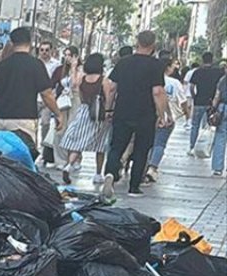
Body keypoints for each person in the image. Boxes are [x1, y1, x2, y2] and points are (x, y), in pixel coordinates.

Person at [102, 31, 169, 198]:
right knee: (141, 150)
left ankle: (110, 173)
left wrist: (108, 109)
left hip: (123, 111)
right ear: (153, 45)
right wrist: (162, 115)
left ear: (137, 42)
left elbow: (111, 88)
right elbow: (158, 92)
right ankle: (133, 187)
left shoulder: (123, 62)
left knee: (116, 146)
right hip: (145, 114)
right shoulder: (156, 65)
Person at [0, 27, 62, 145]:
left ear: (12, 42)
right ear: (30, 42)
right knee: (22, 157)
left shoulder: (0, 66)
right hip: (24, 118)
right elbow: (46, 94)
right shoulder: (36, 65)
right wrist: (57, 114)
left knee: (0, 157)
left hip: (0, 118)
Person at [59, 52, 112, 185]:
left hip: (83, 111)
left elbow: (78, 92)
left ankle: (69, 165)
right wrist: (108, 111)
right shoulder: (104, 80)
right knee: (100, 145)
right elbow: (109, 97)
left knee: (78, 142)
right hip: (99, 114)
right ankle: (98, 174)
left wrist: (73, 67)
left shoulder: (82, 78)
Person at [146, 56, 190, 183]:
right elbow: (183, 101)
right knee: (160, 143)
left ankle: (143, 166)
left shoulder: (150, 79)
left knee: (148, 143)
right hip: (167, 117)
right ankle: (152, 168)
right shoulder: (175, 83)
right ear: (168, 68)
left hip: (149, 115)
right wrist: (187, 114)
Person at [187, 52, 225, 154]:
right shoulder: (218, 72)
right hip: (212, 103)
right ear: (212, 60)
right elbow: (220, 88)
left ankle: (192, 147)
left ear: (202, 60)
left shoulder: (197, 72)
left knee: (195, 125)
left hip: (199, 101)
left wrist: (194, 96)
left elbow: (191, 87)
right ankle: (206, 148)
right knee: (211, 126)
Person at [210, 72, 227, 176]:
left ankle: (217, 168)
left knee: (220, 137)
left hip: (223, 108)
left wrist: (213, 109)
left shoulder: (223, 79)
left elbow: (217, 95)